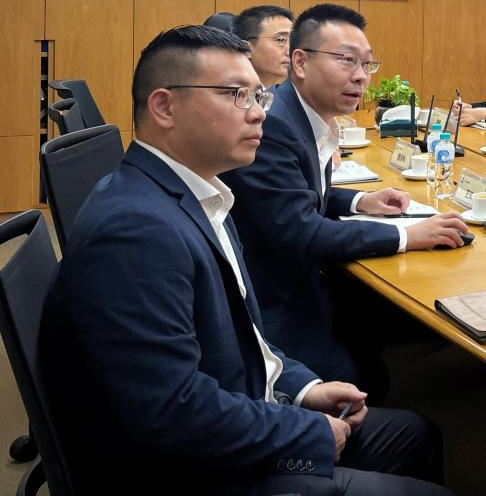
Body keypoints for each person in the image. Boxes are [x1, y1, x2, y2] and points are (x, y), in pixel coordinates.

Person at [41, 25, 449, 496]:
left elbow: (242, 334)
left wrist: (303, 389)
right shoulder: (136, 232)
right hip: (200, 471)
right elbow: (171, 412)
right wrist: (308, 431)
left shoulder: (201, 191)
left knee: (417, 434)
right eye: (236, 95)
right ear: (165, 107)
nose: (258, 113)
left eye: (259, 96)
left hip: (244, 405)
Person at [223, 4, 469, 390]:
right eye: (346, 60)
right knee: (380, 356)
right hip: (280, 312)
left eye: (366, 64)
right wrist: (407, 236)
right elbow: (301, 230)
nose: (361, 76)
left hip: (305, 286)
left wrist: (359, 202)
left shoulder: (299, 111)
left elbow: (302, 192)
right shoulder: (275, 126)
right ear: (300, 62)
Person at [235, 3, 295, 89]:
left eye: (292, 40)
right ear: (247, 49)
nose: (290, 51)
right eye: (281, 40)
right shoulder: (234, 94)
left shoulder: (278, 93)